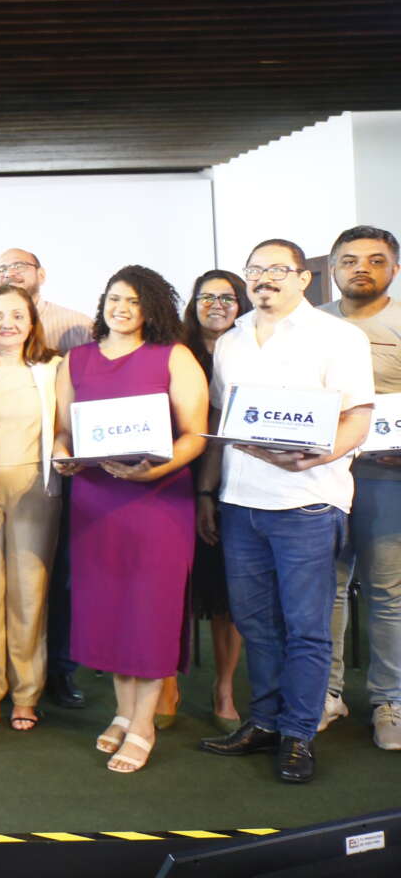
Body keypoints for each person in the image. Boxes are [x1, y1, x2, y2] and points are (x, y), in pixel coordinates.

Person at [199, 239, 374, 784]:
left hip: (308, 502)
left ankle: (299, 734)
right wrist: (208, 493)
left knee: (306, 629)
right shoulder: (231, 341)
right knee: (256, 624)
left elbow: (359, 416)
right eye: (255, 269)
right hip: (240, 502)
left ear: (304, 278)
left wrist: (317, 456)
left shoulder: (337, 336)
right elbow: (224, 419)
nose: (264, 278)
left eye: (278, 268)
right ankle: (265, 723)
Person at [54, 266, 208, 774]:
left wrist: (155, 470)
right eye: (114, 299)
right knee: (110, 608)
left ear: (152, 309)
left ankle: (143, 724)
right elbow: (63, 431)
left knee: (150, 610)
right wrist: (62, 456)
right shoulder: (76, 360)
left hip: (158, 500)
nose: (121, 309)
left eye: (134, 301)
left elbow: (195, 433)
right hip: (95, 501)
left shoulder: (173, 356)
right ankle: (123, 712)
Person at [0, 247, 92, 710]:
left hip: (53, 474)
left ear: (40, 274)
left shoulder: (75, 325)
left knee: (51, 581)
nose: (11, 274)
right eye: (2, 269)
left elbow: (83, 398)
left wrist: (69, 449)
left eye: (19, 267)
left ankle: (57, 673)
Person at [0, 284, 62, 732]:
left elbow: (65, 426)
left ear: (32, 322)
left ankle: (26, 694)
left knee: (29, 595)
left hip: (35, 492)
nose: (8, 324)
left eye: (18, 315)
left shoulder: (53, 368)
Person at [319, 225, 401, 750]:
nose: (361, 269)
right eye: (349, 260)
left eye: (375, 260)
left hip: (385, 477)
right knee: (326, 589)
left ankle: (389, 700)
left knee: (386, 593)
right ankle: (327, 693)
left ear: (394, 269)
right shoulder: (313, 323)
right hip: (322, 475)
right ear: (333, 269)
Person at [182, 269, 253, 733]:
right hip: (177, 475)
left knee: (227, 594)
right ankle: (165, 683)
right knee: (178, 587)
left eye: (227, 297)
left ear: (241, 304)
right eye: (206, 297)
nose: (216, 305)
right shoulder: (177, 350)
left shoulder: (253, 349)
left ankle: (224, 687)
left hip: (240, 477)